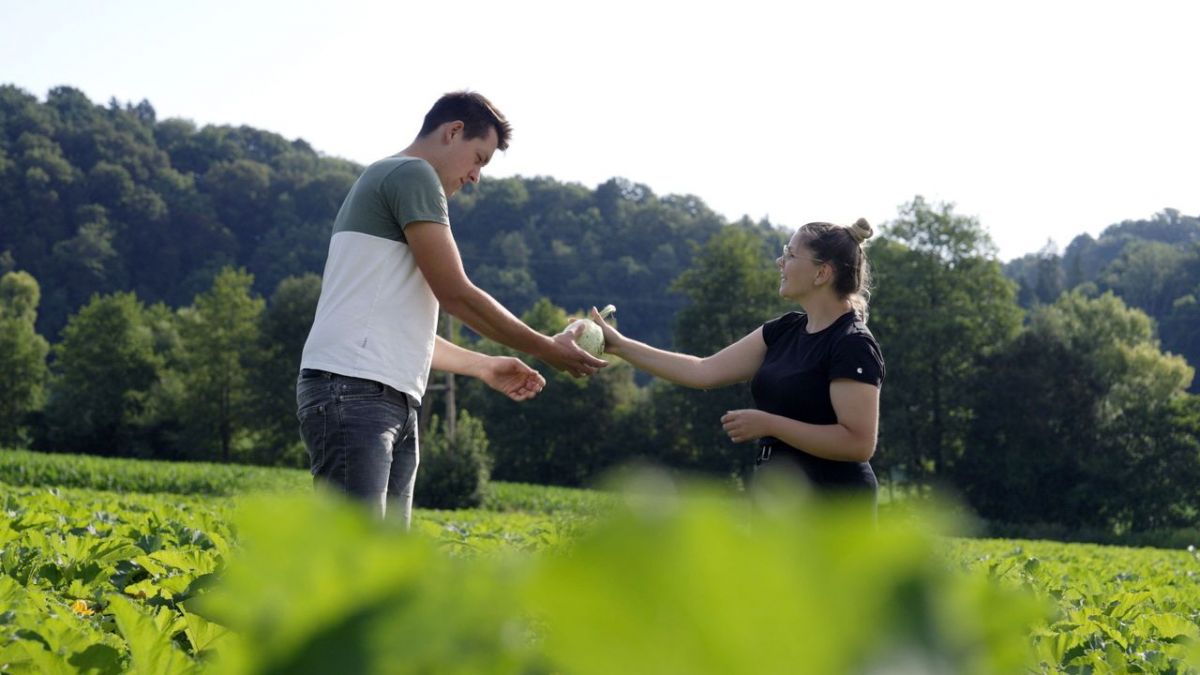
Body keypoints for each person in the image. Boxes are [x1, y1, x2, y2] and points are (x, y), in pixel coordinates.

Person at [296, 91, 607, 524]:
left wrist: (483, 365)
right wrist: (546, 348)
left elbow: (398, 328)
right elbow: (455, 292)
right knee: (356, 558)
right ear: (453, 131)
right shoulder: (413, 174)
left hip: (381, 394)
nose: (476, 176)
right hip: (356, 392)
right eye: (479, 158)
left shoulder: (392, 179)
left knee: (384, 561)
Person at [592, 219, 884, 501]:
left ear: (822, 273)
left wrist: (770, 424)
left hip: (835, 509)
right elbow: (703, 370)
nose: (779, 262)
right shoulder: (783, 331)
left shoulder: (852, 344)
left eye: (791, 255)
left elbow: (858, 444)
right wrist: (618, 345)